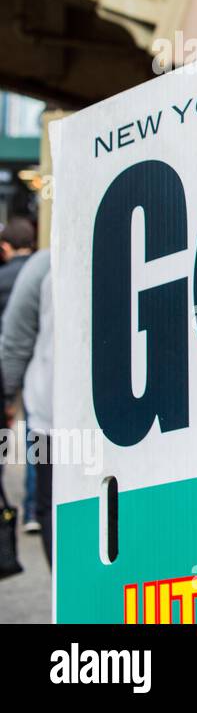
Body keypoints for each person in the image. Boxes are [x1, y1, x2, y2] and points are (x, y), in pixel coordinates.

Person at [1, 249, 52, 565]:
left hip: (52, 420)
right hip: (119, 419)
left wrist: (6, 398)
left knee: (51, 504)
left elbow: (16, 342)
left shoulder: (43, 265)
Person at [0, 217, 37, 533]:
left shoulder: (2, 277)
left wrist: (6, 396)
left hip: (9, 365)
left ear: (5, 246)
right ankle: (33, 508)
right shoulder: (42, 273)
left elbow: (11, 339)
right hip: (41, 365)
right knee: (37, 434)